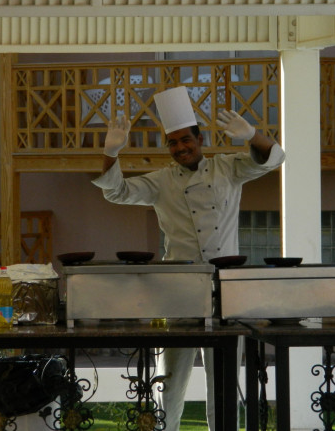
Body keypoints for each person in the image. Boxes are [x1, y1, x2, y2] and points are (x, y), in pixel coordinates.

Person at [91, 97, 285, 431]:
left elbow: (274, 159)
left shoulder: (229, 168)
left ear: (200, 139)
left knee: (223, 378)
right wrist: (111, 152)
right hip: (178, 287)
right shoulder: (161, 180)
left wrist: (253, 135)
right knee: (169, 379)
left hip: (225, 287)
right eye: (173, 143)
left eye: (186, 140)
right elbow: (116, 192)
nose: (180, 148)